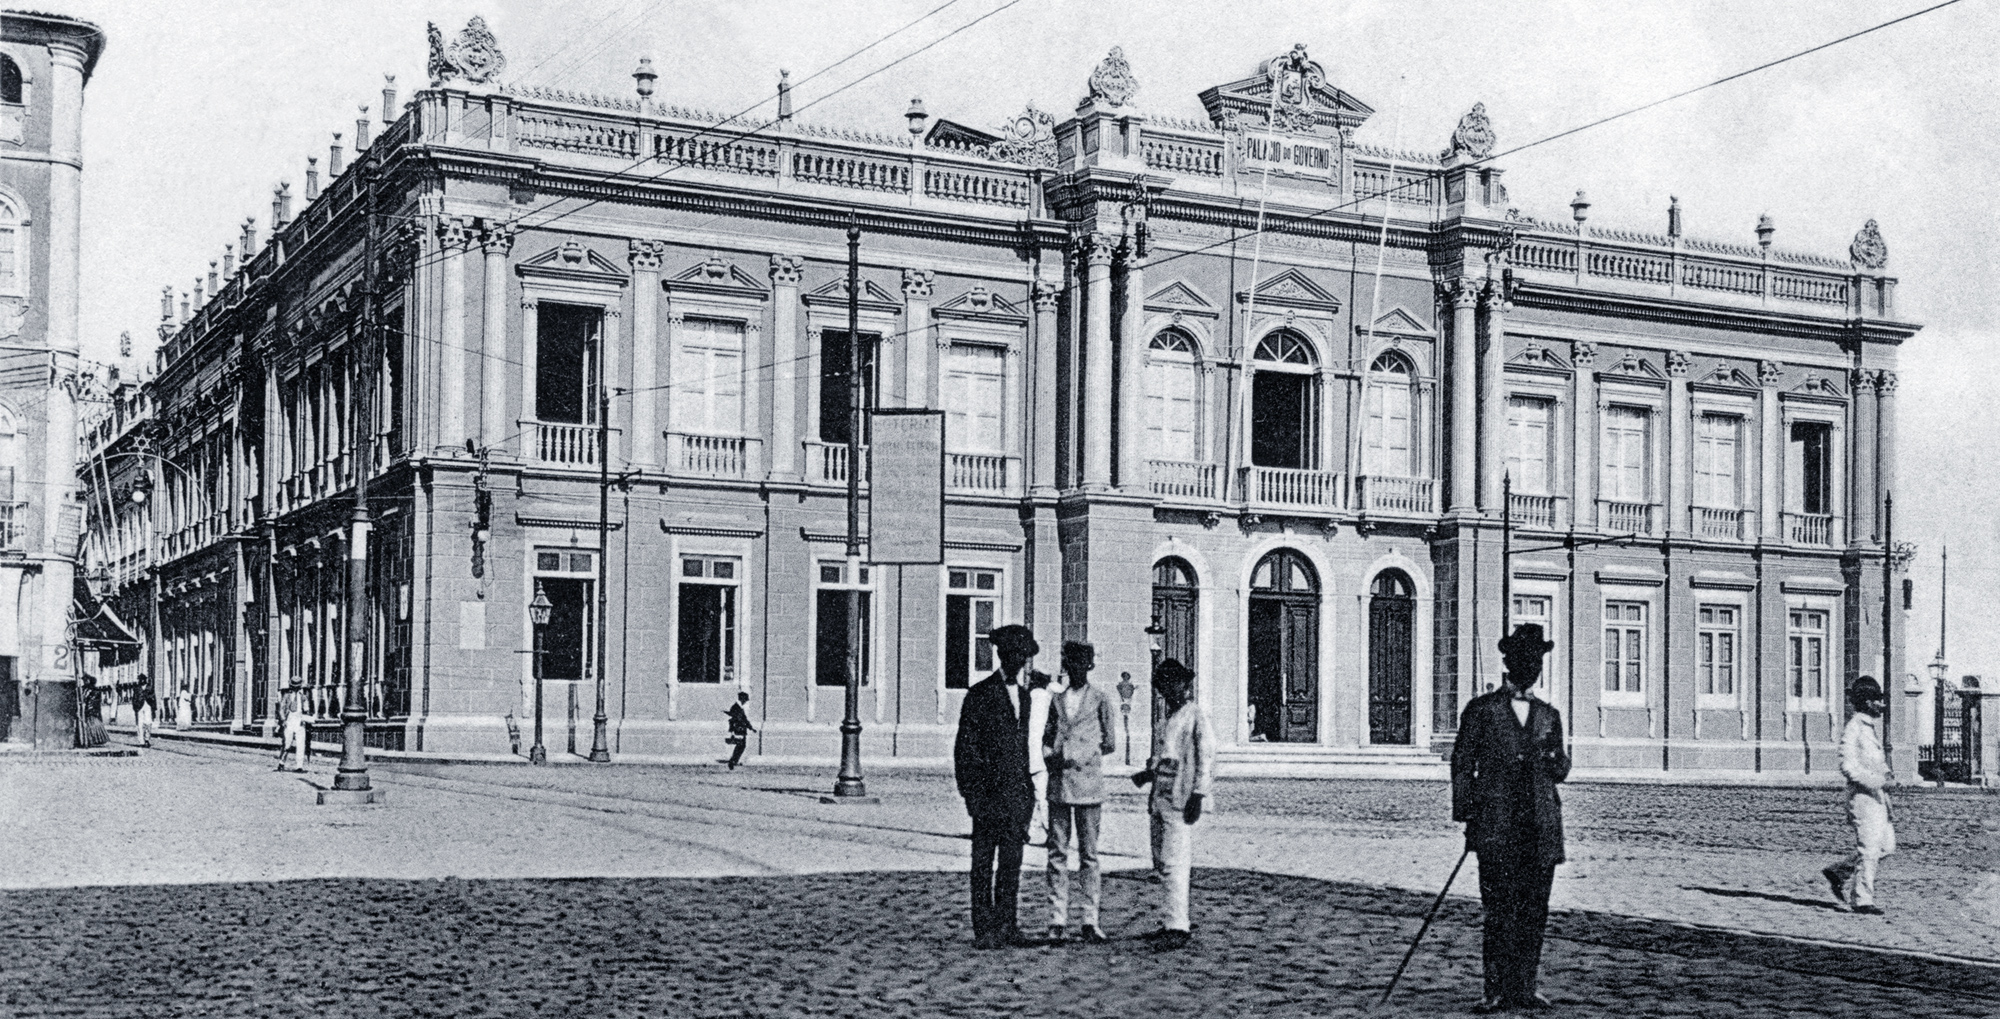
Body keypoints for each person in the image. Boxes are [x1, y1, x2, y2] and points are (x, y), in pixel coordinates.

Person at [1451, 623, 1570, 1014]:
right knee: (1499, 910)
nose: (1530, 666)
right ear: (1508, 662)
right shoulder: (1482, 711)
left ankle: (1526, 986)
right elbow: (1462, 765)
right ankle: (1495, 989)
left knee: (1535, 910)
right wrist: (1468, 816)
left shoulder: (1549, 715)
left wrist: (1556, 762)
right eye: (1523, 659)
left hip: (1540, 826)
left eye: (1536, 660)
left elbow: (1562, 768)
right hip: (1497, 827)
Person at [954, 623, 1044, 949]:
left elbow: (1022, 749)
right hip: (988, 795)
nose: (1016, 660)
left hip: (1016, 796)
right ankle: (985, 929)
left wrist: (1029, 795)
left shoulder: (1024, 696)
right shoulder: (979, 695)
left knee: (1011, 864)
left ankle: (1008, 924)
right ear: (1000, 655)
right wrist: (972, 795)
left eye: (1021, 655)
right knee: (982, 864)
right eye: (1011, 654)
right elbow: (966, 748)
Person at [1131, 658, 1211, 951]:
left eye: (1173, 685)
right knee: (1162, 862)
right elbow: (1162, 758)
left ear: (1185, 685)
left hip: (1181, 798)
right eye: (1163, 687)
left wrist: (1199, 794)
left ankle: (1178, 925)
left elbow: (1206, 758)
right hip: (1160, 796)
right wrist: (1147, 775)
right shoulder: (1164, 722)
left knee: (1176, 862)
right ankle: (1170, 920)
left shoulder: (1195, 717)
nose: (1168, 692)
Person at [1043, 641, 1118, 944]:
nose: (1073, 667)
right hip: (1059, 784)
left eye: (1079, 662)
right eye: (1069, 662)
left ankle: (1090, 919)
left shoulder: (1100, 699)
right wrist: (1052, 757)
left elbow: (1110, 742)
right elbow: (1047, 737)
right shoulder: (1056, 700)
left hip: (1088, 786)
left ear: (1089, 666)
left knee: (1089, 855)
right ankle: (1057, 919)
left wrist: (1082, 754)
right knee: (1057, 853)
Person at [1823, 676, 1895, 914]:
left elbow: (1875, 762)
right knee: (1870, 849)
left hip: (1878, 797)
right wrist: (1877, 782)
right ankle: (1862, 899)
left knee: (1886, 847)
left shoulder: (1869, 728)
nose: (1881, 705)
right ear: (1865, 702)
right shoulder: (1854, 727)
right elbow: (1848, 767)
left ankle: (1839, 872)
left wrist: (1887, 774)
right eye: (1877, 700)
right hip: (1863, 799)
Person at [1026, 664, 1056, 845]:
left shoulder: (1026, 698)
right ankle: (1048, 831)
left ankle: (1030, 831)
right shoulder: (1050, 699)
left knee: (1035, 796)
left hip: (1026, 754)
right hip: (1043, 754)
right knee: (1042, 795)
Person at [276, 679, 309, 772]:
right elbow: (281, 709)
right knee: (287, 743)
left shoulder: (303, 697)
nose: (295, 688)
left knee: (300, 743)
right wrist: (283, 720)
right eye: (294, 686)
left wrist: (304, 719)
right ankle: (281, 762)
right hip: (289, 720)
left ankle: (299, 766)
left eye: (297, 686)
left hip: (299, 721)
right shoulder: (286, 696)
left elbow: (306, 709)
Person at [724, 690, 756, 770]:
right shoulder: (736, 707)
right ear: (742, 699)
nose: (745, 702)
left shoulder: (739, 707)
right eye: (745, 700)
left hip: (741, 729)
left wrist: (751, 728)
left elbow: (744, 719)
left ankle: (734, 760)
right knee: (741, 745)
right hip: (738, 730)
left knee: (741, 745)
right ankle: (733, 761)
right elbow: (737, 719)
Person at [132, 674, 157, 747]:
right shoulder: (137, 688)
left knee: (148, 723)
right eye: (140, 679)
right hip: (139, 707)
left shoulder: (150, 687)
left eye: (143, 679)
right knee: (140, 724)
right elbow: (134, 698)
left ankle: (147, 739)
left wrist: (154, 708)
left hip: (148, 705)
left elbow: (154, 697)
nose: (142, 681)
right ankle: (141, 741)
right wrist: (135, 707)